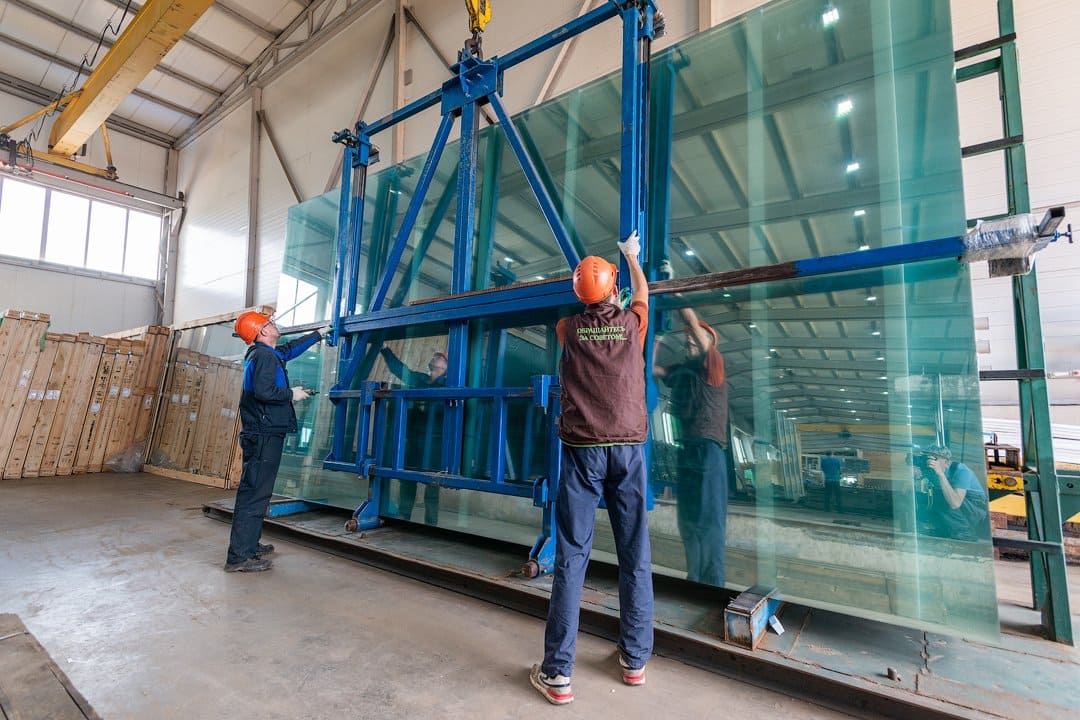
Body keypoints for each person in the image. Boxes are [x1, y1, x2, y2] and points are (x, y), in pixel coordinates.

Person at [530, 231, 653, 705]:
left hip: (582, 451)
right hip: (628, 448)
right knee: (634, 554)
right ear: (614, 289)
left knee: (572, 556)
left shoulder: (567, 328)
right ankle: (634, 661)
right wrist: (632, 257)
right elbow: (642, 294)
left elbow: (590, 316)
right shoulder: (632, 324)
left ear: (578, 293)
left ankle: (558, 674)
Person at [225, 312, 330, 572]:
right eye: (269, 323)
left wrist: (318, 334)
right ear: (262, 332)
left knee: (258, 491)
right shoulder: (263, 357)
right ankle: (239, 557)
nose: (274, 324)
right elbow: (264, 392)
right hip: (263, 434)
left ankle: (249, 545)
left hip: (264, 432)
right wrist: (291, 394)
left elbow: (289, 349)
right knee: (255, 493)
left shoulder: (267, 354)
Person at [652, 297, 729, 587]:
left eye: (695, 340)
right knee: (688, 521)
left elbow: (691, 322)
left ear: (708, 344)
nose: (690, 343)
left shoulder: (712, 364)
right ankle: (694, 581)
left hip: (709, 453)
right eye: (687, 341)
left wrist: (676, 295)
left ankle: (713, 585)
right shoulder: (683, 370)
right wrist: (657, 337)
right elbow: (650, 368)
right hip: (686, 452)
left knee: (709, 522)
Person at [378, 347, 447, 525]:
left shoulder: (449, 386)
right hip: (414, 439)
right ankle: (404, 517)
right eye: (435, 357)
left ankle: (431, 524)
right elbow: (400, 370)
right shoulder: (420, 379)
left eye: (440, 358)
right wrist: (385, 351)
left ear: (444, 367)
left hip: (434, 442)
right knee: (408, 479)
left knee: (432, 485)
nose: (435, 358)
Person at [920, 444, 989, 541]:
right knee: (927, 496)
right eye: (927, 459)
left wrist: (940, 474)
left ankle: (965, 533)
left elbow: (955, 503)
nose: (929, 462)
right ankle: (944, 530)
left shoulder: (962, 471)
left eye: (934, 459)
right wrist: (916, 477)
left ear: (947, 463)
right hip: (959, 505)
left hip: (976, 507)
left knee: (941, 496)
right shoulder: (929, 470)